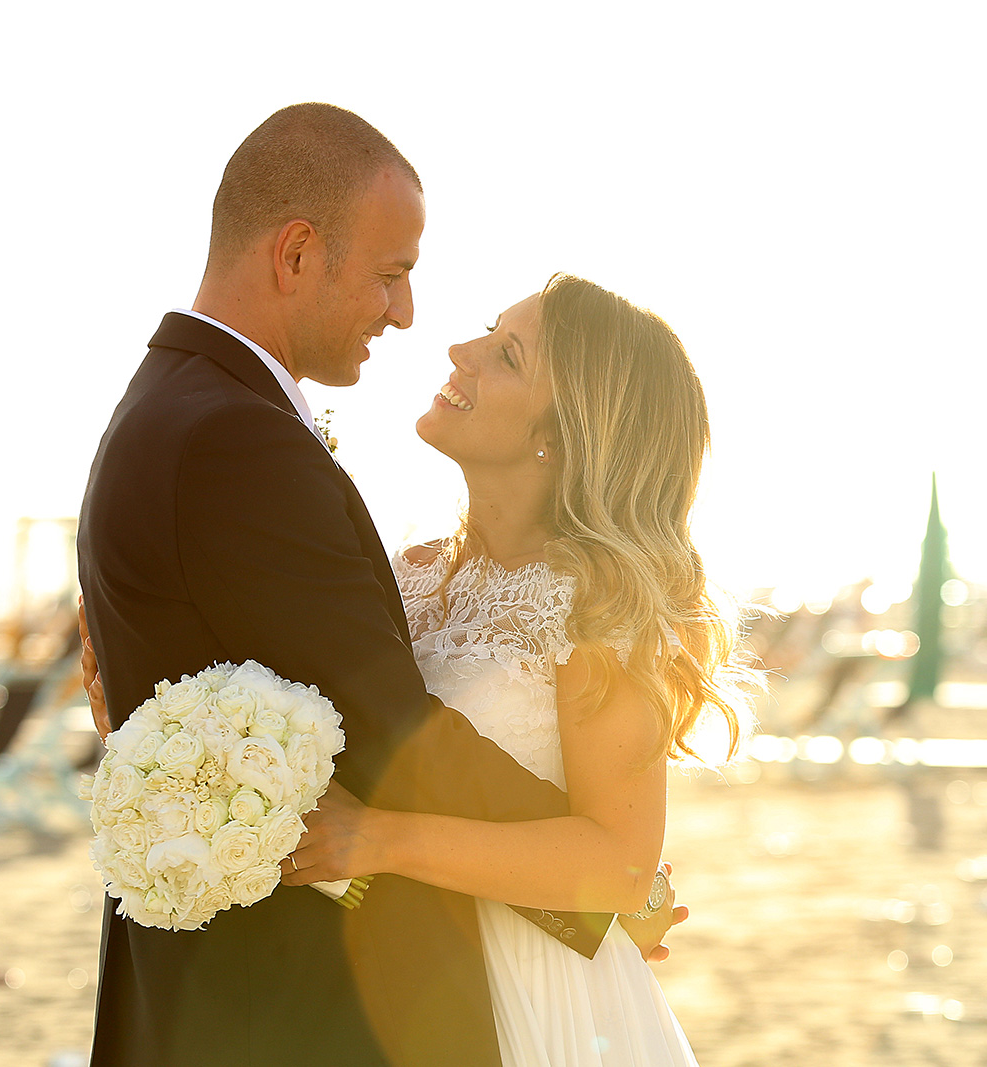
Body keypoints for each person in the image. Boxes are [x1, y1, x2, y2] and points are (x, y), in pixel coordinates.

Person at [76, 104, 682, 1067]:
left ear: (561, 435)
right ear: (297, 253)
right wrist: (610, 888)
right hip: (294, 1000)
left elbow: (343, 715)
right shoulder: (241, 439)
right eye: (391, 276)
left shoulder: (186, 408)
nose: (420, 323)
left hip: (468, 991)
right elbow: (385, 724)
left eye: (507, 350)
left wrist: (605, 878)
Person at [281, 274, 755, 1065]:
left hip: (537, 992)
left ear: (561, 436)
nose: (458, 352)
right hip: (406, 972)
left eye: (504, 355)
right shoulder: (408, 575)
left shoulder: (600, 609)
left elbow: (619, 862)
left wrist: (379, 840)